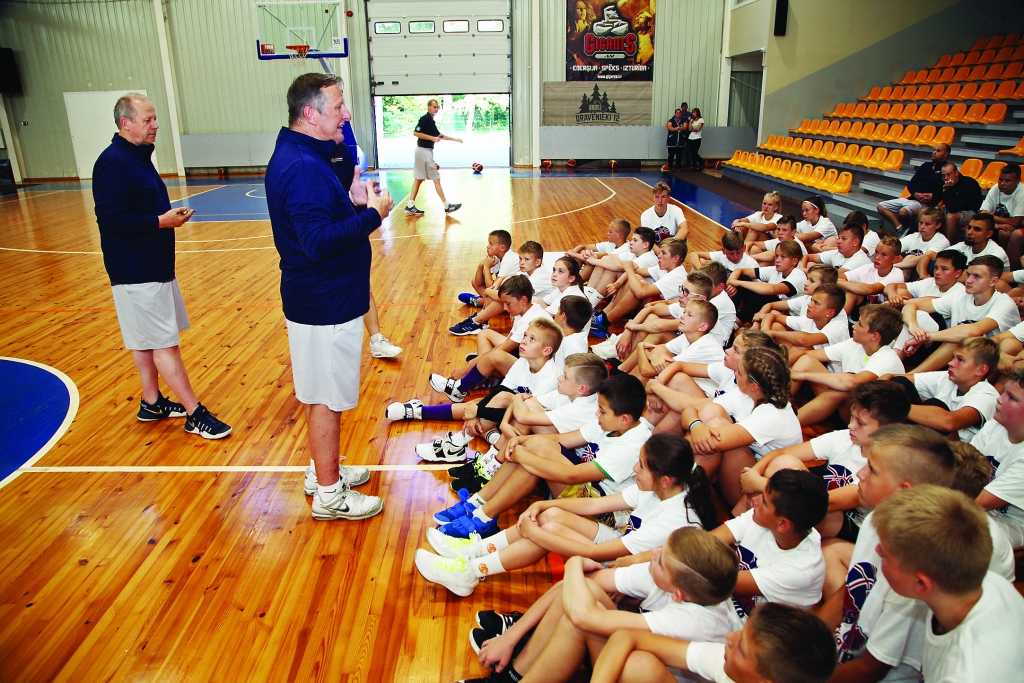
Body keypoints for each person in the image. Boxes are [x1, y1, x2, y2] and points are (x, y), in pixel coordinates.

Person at [266, 73, 394, 520]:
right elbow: (317, 242)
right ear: (311, 113)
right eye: (338, 107)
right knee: (326, 398)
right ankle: (329, 493)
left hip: (321, 298)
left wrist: (355, 206)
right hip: (325, 302)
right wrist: (373, 216)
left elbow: (320, 222)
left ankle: (322, 469)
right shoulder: (303, 166)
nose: (346, 114)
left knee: (319, 391)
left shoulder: (304, 155)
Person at [416, 434, 716, 596]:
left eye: (642, 465)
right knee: (550, 517)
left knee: (548, 529)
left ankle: (470, 571)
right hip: (620, 542)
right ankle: (474, 551)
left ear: (665, 479)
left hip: (629, 570)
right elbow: (594, 506)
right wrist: (545, 506)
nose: (635, 469)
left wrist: (536, 531)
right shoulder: (660, 489)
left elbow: (598, 554)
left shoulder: (673, 520)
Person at [92, 93, 231, 440]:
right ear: (125, 123)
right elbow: (109, 220)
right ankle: (194, 413)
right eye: (148, 120)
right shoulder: (114, 162)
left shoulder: (137, 157)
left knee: (145, 340)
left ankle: (152, 402)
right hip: (136, 270)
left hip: (153, 266)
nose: (155, 125)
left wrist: (164, 219)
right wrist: (160, 221)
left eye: (155, 119)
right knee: (164, 344)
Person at [872, 485, 1024, 683]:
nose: (876, 551)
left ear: (922, 584)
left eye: (884, 554)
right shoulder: (988, 583)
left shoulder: (965, 673)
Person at [739, 380, 911, 540]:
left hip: (848, 525)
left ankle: (757, 538)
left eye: (860, 423)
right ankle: (741, 527)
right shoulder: (845, 437)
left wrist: (759, 484)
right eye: (851, 417)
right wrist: (754, 473)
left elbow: (828, 503)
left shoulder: (887, 465)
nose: (851, 425)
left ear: (888, 429)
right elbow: (781, 453)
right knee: (784, 463)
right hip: (817, 502)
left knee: (820, 512)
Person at [588, 602, 837, 683]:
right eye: (741, 632)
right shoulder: (729, 662)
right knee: (638, 664)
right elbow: (628, 636)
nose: (730, 637)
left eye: (741, 648)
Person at [329, 120, 402, 359]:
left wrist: (359, 202)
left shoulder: (343, 151)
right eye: (338, 108)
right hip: (329, 236)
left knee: (363, 287)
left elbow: (350, 187)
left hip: (348, 229)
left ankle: (376, 339)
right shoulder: (307, 160)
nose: (346, 116)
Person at [901, 253, 1020, 373]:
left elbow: (973, 331)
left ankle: (910, 376)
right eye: (968, 275)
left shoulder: (1004, 303)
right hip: (958, 356)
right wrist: (913, 326)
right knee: (920, 316)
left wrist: (926, 337)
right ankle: (902, 365)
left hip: (990, 360)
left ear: (993, 281)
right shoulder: (961, 295)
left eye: (977, 276)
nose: (969, 280)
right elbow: (911, 306)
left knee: (961, 339)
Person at [790, 304, 905, 426]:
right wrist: (779, 365)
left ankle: (788, 426)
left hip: (868, 418)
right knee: (806, 360)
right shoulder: (853, 344)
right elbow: (806, 354)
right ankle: (777, 403)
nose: (854, 326)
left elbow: (853, 382)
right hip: (846, 405)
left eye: (860, 324)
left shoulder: (887, 358)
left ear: (875, 336)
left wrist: (803, 375)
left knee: (842, 389)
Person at [885, 337, 999, 443]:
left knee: (935, 405)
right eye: (953, 357)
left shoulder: (986, 395)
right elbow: (894, 378)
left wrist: (897, 406)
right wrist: (882, 384)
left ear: (981, 370)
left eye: (960, 360)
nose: (950, 363)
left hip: (956, 451)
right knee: (899, 383)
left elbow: (950, 422)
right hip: (932, 439)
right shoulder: (949, 376)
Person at [972, 367, 1024, 548]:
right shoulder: (995, 425)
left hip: (1013, 524)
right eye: (1004, 392)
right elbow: (962, 468)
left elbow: (981, 502)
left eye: (1011, 397)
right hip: (982, 508)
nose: (999, 399)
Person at [404, 98, 461, 215]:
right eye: (434, 107)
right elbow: (416, 133)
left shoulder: (431, 121)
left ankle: (410, 206)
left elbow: (439, 135)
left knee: (419, 179)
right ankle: (446, 205)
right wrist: (432, 138)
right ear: (428, 107)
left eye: (437, 107)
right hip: (423, 151)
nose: (436, 109)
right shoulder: (425, 119)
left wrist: (455, 139)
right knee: (436, 178)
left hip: (425, 152)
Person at [876, 143, 949, 232]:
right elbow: (911, 184)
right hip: (913, 198)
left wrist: (933, 196)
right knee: (881, 206)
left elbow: (945, 190)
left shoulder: (946, 170)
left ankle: (906, 230)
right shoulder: (925, 166)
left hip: (926, 203)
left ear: (946, 154)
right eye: (934, 150)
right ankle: (900, 228)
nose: (934, 152)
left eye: (938, 151)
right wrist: (915, 194)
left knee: (903, 212)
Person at [982, 162, 1024, 268]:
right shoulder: (996, 188)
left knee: (1004, 233)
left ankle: (1005, 266)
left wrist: (991, 217)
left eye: (1007, 181)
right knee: (978, 226)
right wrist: (996, 225)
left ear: (1017, 181)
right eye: (1000, 179)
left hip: (1018, 227)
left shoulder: (1022, 192)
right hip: (999, 225)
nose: (1002, 183)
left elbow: (1016, 222)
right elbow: (982, 214)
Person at [939, 161, 983, 243]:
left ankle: (947, 245)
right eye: (943, 175)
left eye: (949, 174)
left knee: (950, 217)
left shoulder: (968, 184)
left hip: (971, 212)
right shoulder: (946, 183)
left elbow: (954, 208)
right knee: (932, 213)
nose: (946, 178)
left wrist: (946, 191)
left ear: (956, 173)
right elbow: (938, 199)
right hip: (953, 209)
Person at [687, 107, 705, 172]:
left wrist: (692, 129)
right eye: (693, 112)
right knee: (692, 152)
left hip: (697, 137)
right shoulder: (692, 120)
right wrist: (690, 121)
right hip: (691, 137)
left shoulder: (701, 119)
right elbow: (689, 128)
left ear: (697, 113)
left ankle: (701, 163)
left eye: (694, 112)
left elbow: (698, 129)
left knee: (695, 152)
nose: (693, 114)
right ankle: (694, 166)